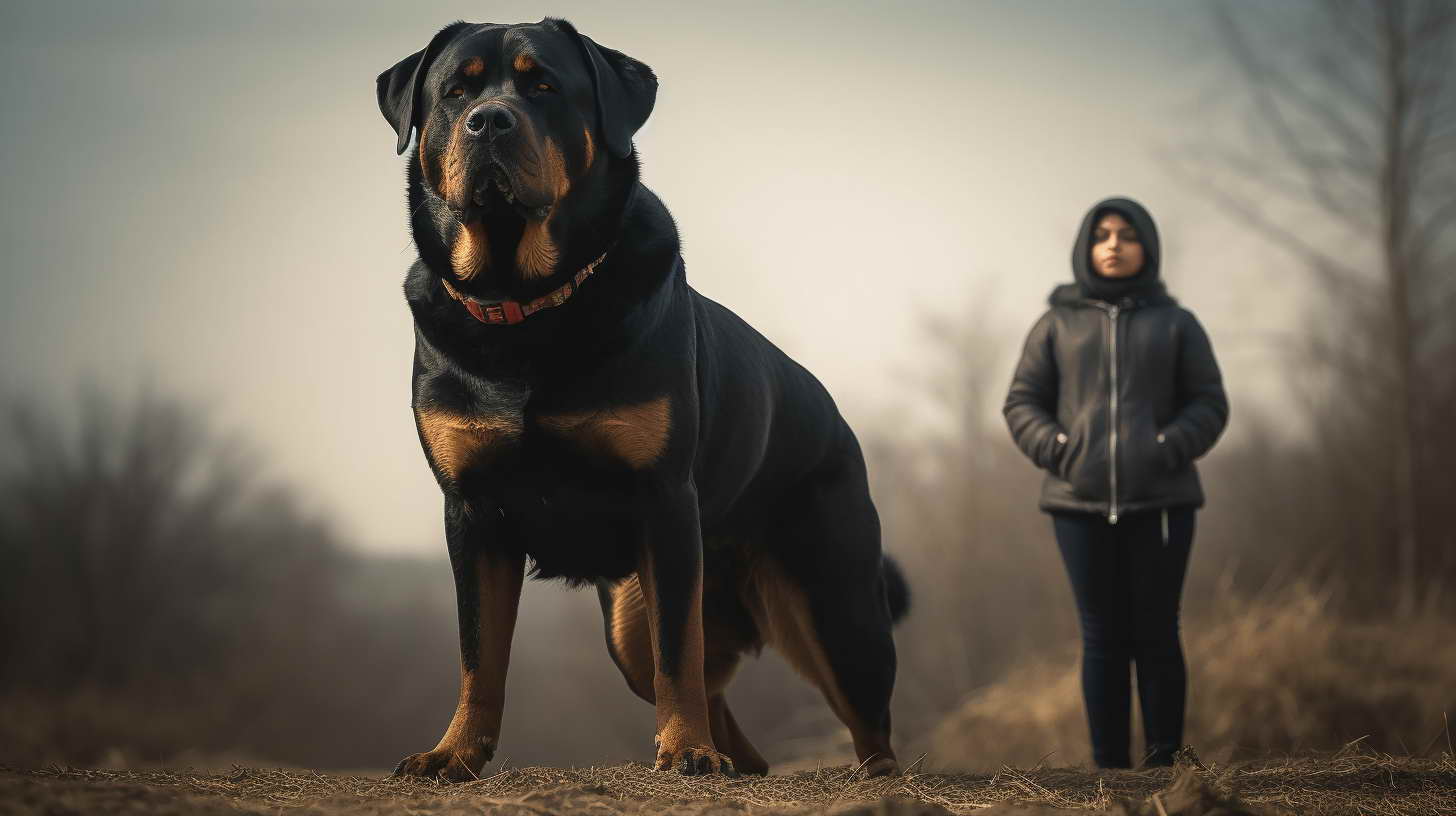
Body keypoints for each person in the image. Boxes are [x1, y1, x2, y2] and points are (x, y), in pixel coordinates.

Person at [1003, 197, 1229, 769]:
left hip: (1161, 501)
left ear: (1146, 248)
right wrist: (1059, 451)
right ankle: (1110, 772)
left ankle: (1165, 766)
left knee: (1156, 631)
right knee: (1101, 637)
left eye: (1126, 235)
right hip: (1076, 505)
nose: (1113, 244)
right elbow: (1021, 403)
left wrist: (1163, 449)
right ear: (1086, 247)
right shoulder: (1056, 323)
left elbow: (1209, 403)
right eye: (1101, 234)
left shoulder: (1177, 323)